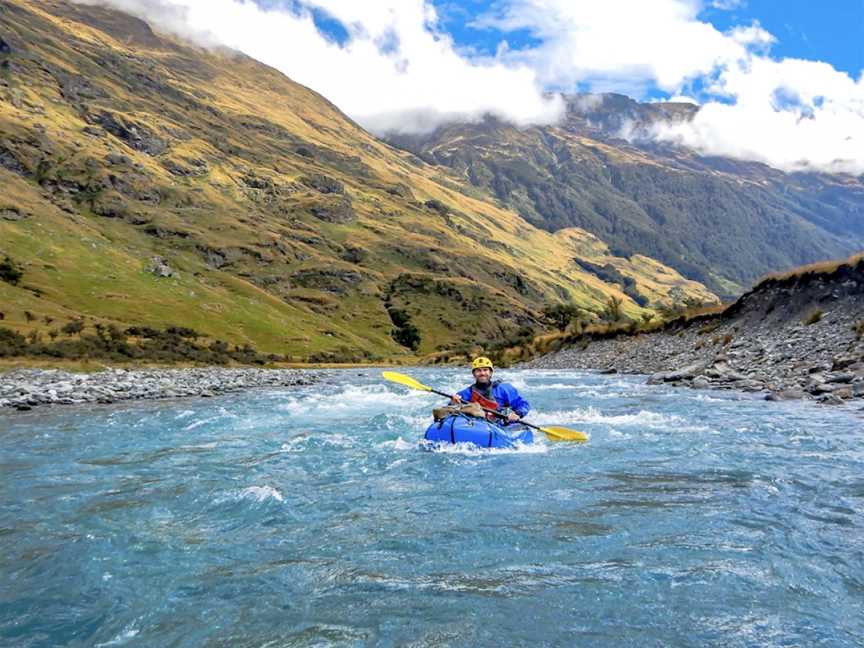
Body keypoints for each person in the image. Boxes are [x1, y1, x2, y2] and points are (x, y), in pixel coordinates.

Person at [451, 356, 530, 425]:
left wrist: (517, 414)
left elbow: (523, 404)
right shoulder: (467, 393)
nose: (482, 373)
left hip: (501, 425)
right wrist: (454, 403)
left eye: (485, 370)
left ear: (491, 373)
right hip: (478, 424)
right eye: (478, 370)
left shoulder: (504, 389)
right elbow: (452, 407)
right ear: (474, 374)